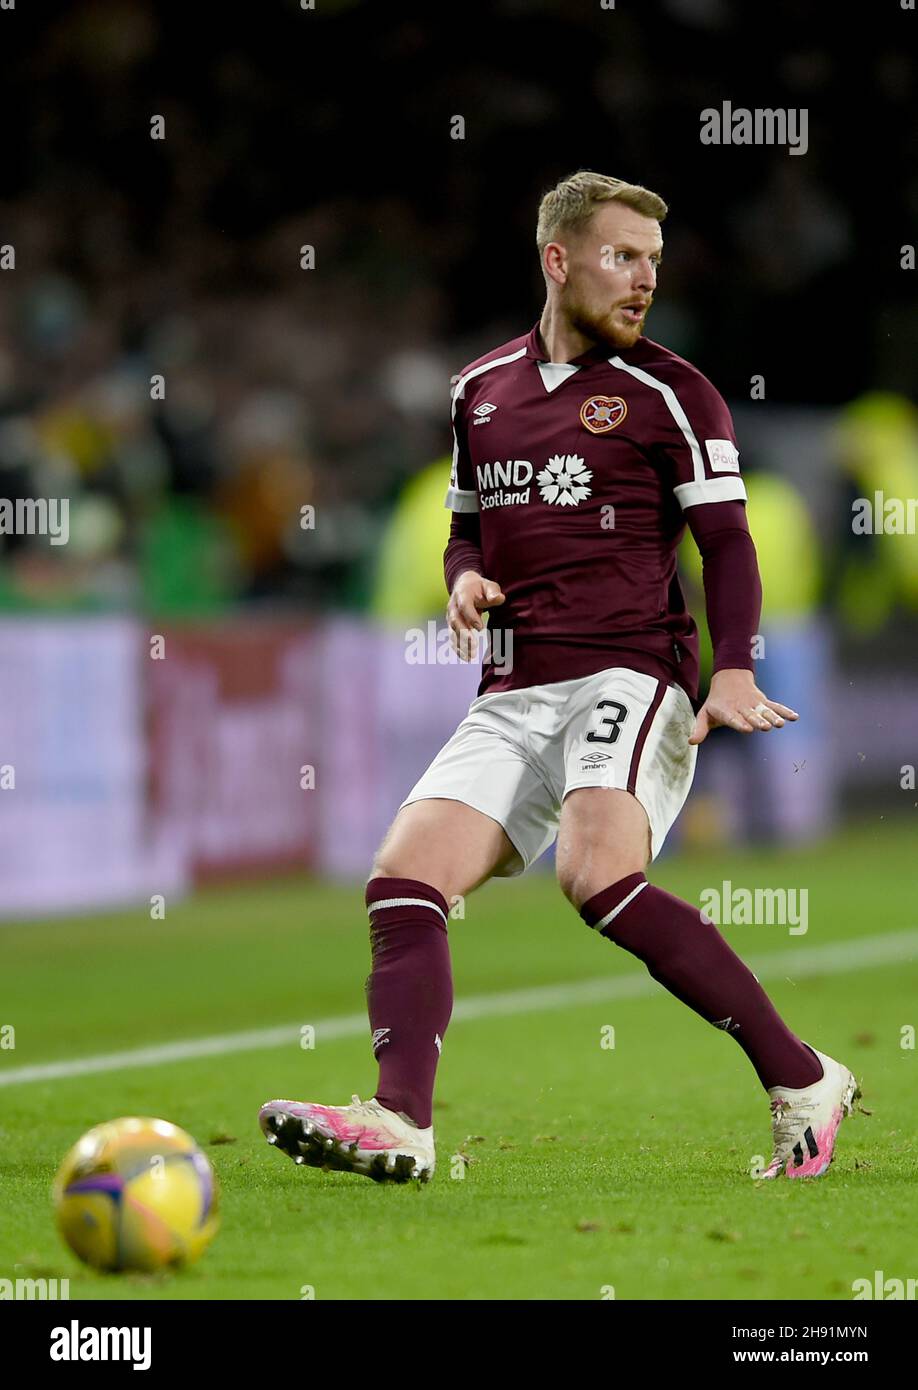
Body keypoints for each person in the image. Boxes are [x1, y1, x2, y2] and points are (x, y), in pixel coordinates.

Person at [259, 171, 860, 1184]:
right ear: (558, 259)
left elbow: (729, 543)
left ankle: (799, 1077)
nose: (643, 281)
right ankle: (403, 1121)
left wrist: (734, 665)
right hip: (511, 686)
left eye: (654, 264)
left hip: (630, 670)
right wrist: (463, 581)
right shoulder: (478, 391)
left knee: (595, 874)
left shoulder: (677, 392)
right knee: (403, 878)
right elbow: (462, 529)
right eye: (623, 257)